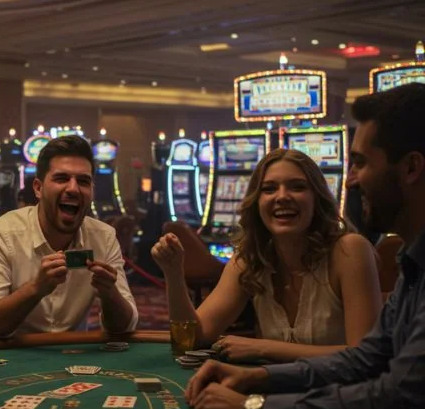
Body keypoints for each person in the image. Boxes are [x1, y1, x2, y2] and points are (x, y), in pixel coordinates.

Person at [183, 84, 425, 409]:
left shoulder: (356, 251)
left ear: (411, 168)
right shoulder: (413, 263)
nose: (351, 179)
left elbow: (394, 403)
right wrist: (258, 377)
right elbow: (364, 359)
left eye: (362, 163)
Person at [151, 147, 381, 363]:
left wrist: (262, 347)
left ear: (317, 199)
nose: (282, 196)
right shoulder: (250, 260)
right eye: (269, 189)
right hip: (277, 390)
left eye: (297, 187)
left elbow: (364, 356)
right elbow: (190, 340)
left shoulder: (349, 251)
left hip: (341, 396)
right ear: (256, 202)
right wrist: (173, 273)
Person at [0, 135, 138, 337]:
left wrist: (111, 294)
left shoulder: (104, 237)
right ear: (38, 189)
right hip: (11, 358)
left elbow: (126, 327)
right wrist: (35, 289)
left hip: (74, 359)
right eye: (61, 178)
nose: (73, 189)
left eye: (83, 181)